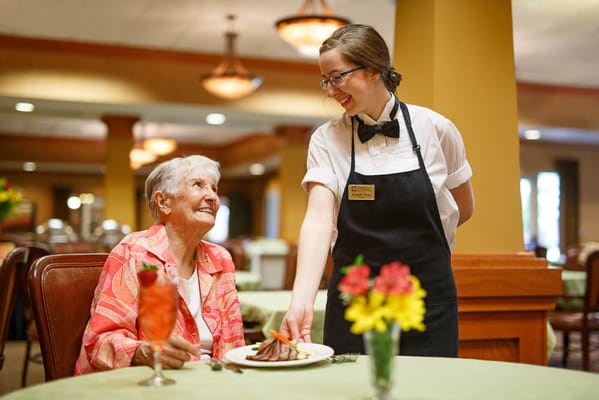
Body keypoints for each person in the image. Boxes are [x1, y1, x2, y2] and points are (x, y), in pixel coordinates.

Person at [280, 24, 474, 356]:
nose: (330, 90)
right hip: (355, 305)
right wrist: (301, 300)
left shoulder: (436, 129)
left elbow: (463, 208)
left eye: (337, 77)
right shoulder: (327, 139)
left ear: (372, 70)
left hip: (428, 301)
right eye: (325, 80)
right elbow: (318, 221)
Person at [75, 155, 245, 374]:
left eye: (214, 188)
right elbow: (100, 341)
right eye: (198, 185)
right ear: (164, 202)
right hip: (150, 381)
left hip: (213, 382)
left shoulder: (220, 258)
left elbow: (234, 343)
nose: (212, 196)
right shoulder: (135, 252)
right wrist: (144, 352)